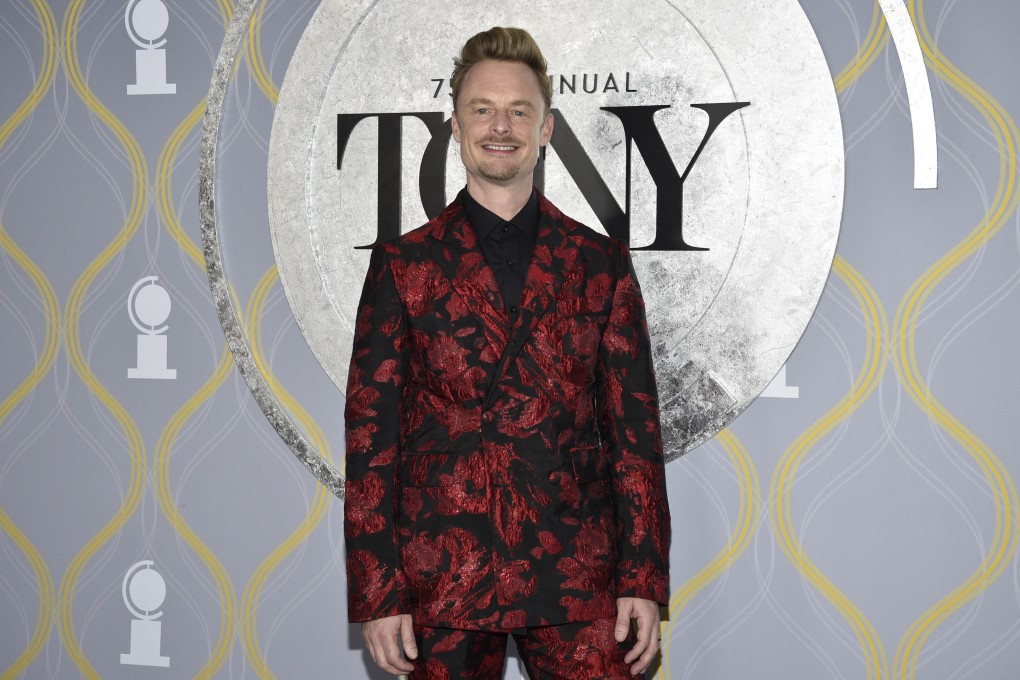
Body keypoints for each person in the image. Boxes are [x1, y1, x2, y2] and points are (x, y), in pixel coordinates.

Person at [344, 26, 671, 679]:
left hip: (577, 568)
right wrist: (379, 592)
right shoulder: (403, 265)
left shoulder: (600, 263)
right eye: (483, 109)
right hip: (444, 572)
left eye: (520, 111)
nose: (501, 126)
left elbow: (633, 434)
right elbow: (370, 440)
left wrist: (643, 576)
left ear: (545, 129)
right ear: (456, 126)